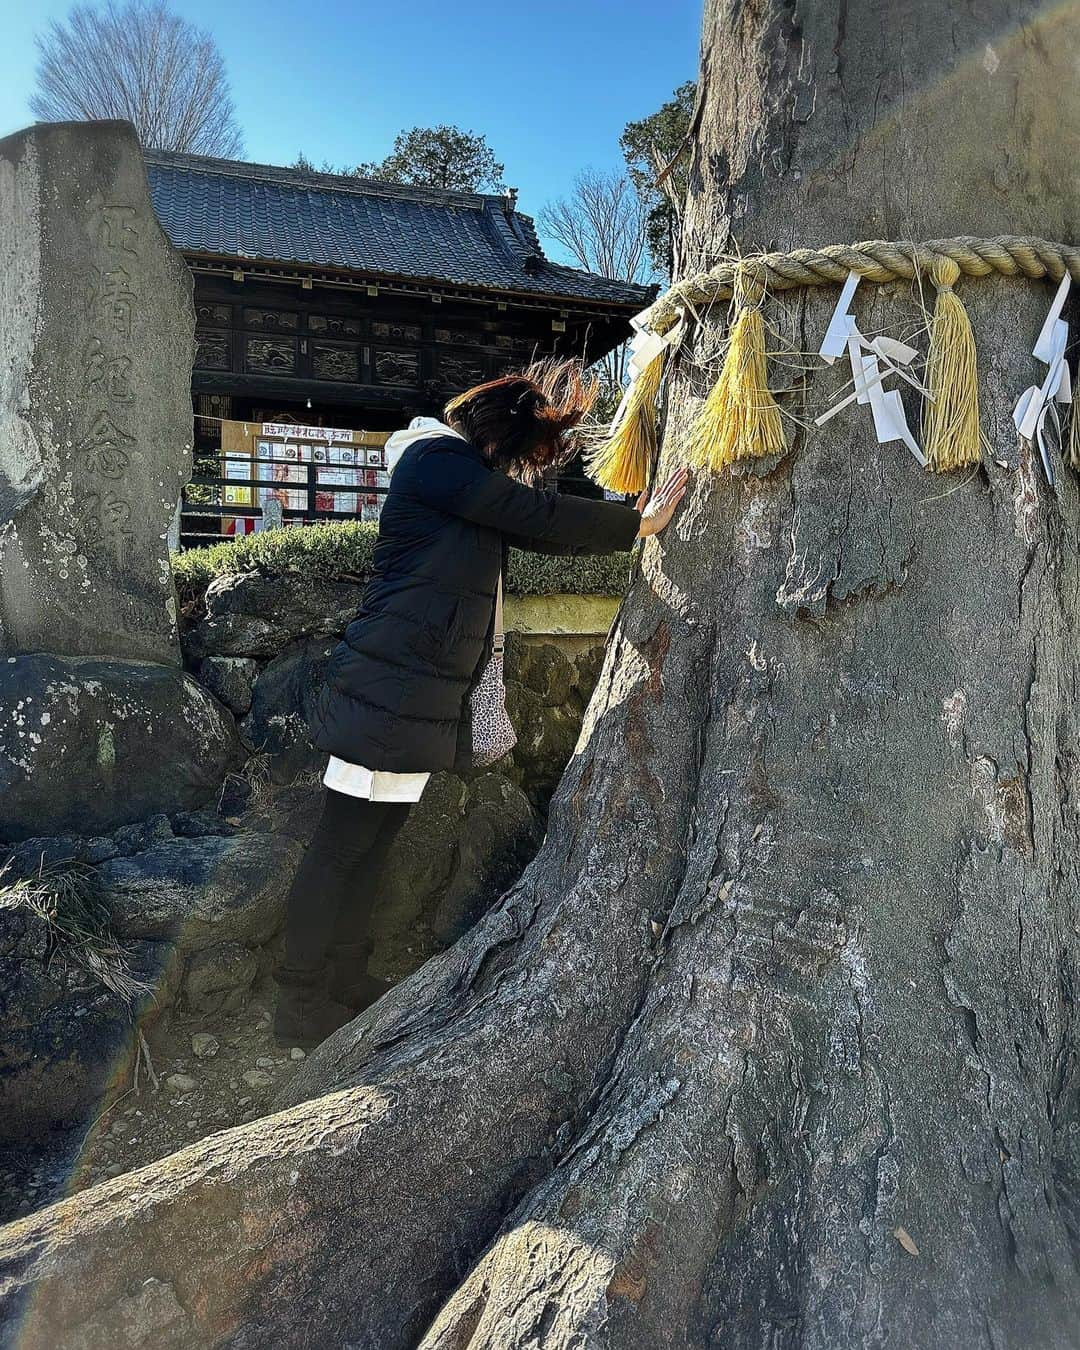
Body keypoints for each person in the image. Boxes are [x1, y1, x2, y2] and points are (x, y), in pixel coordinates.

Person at [273, 360, 689, 1048]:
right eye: (525, 455)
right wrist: (639, 525)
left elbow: (535, 527)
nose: (523, 472)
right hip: (387, 687)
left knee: (372, 850)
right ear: (499, 434)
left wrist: (626, 521)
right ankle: (297, 1004)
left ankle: (345, 981)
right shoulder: (435, 459)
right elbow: (531, 513)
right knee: (339, 849)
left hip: (415, 696)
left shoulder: (465, 480)